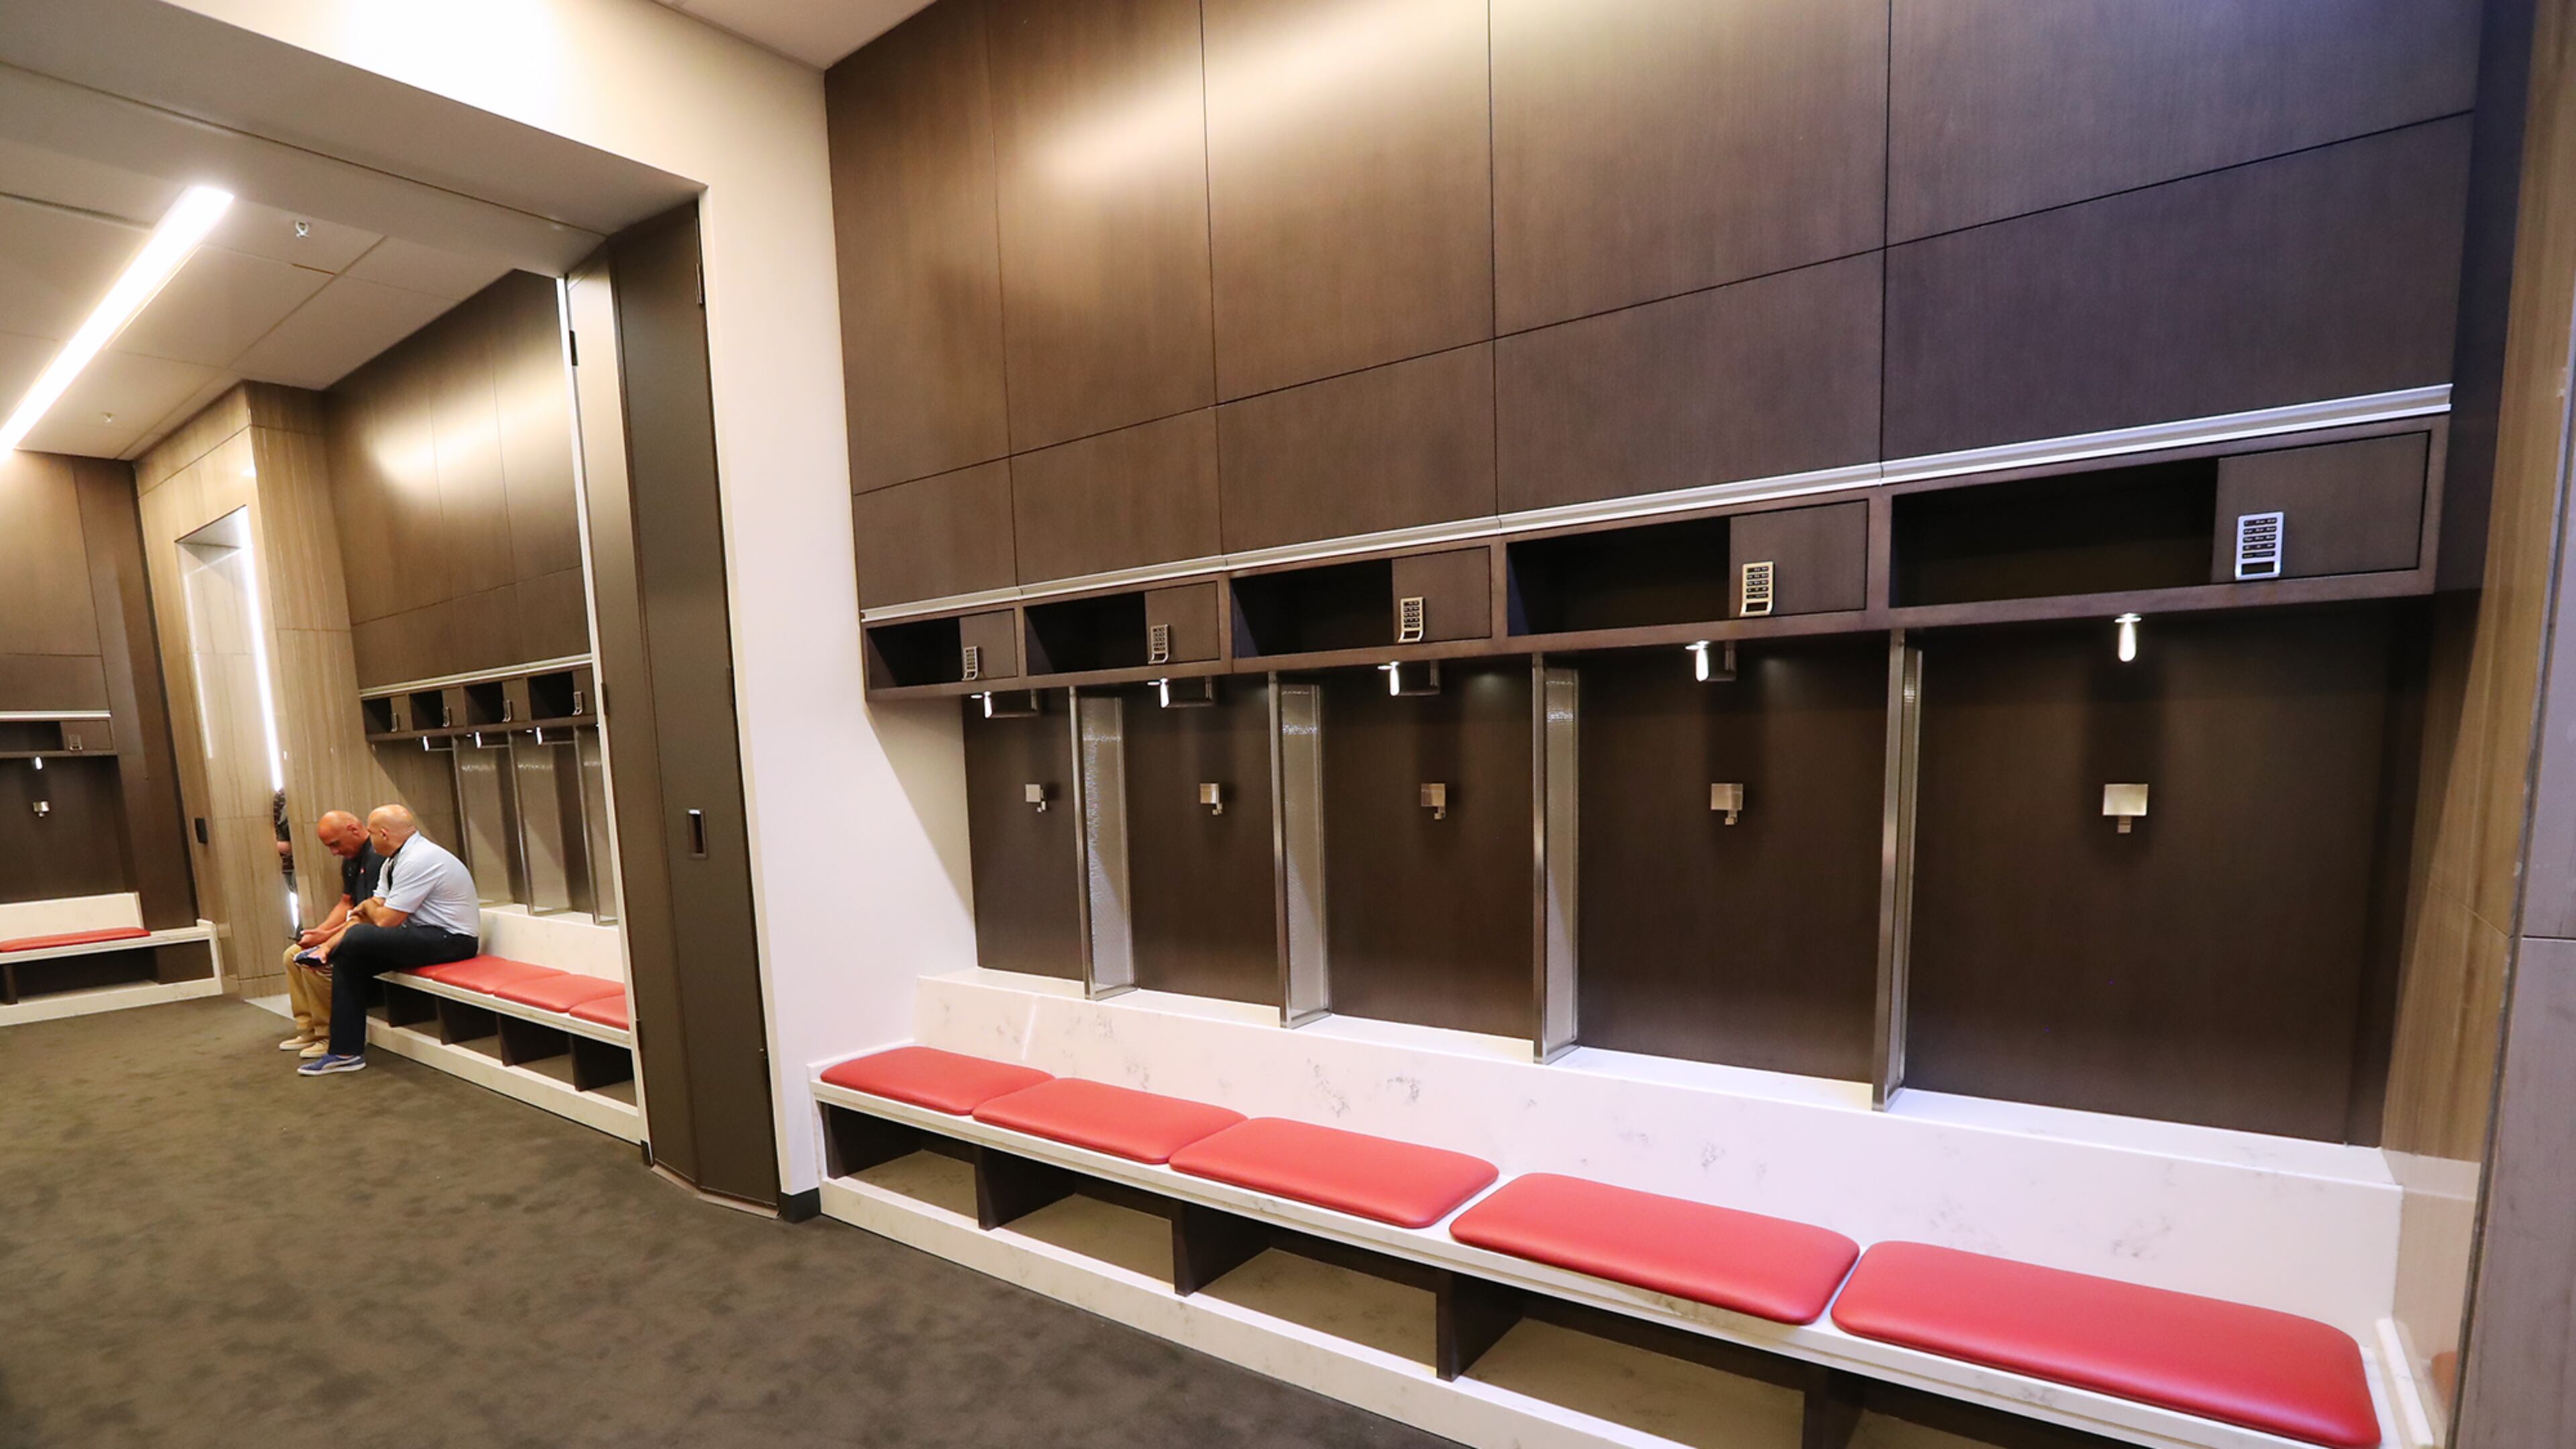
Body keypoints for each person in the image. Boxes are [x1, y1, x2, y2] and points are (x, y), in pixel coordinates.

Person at [299, 804, 482, 1077]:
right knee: (350, 958)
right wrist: (327, 945)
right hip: (421, 935)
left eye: (371, 833)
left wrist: (368, 910)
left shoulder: (419, 859)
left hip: (453, 940)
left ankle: (342, 1043)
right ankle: (345, 1052)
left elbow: (384, 919)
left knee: (358, 936)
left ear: (383, 834)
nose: (369, 839)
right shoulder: (393, 861)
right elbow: (370, 911)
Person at [277, 811, 382, 1059]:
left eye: (336, 844)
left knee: (315, 961)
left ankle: (330, 1035)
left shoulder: (377, 858)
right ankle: (309, 1028)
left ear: (353, 829)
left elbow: (369, 915)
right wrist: (321, 931)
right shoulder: (350, 859)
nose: (334, 852)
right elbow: (347, 903)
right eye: (329, 847)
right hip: (357, 928)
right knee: (293, 955)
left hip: (374, 932)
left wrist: (325, 940)